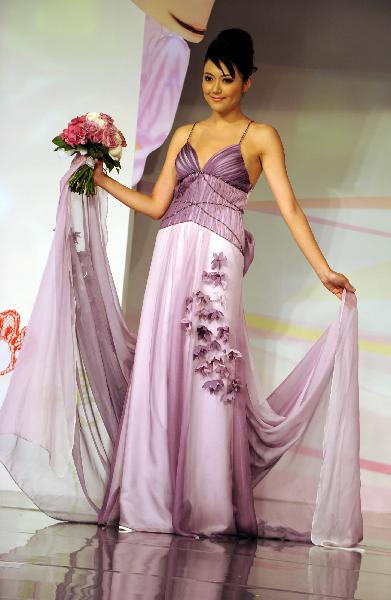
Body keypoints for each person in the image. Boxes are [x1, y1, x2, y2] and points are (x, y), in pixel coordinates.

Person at [92, 29, 363, 546]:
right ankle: (150, 497)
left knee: (209, 371)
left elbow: (289, 208)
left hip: (217, 260)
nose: (215, 87)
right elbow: (155, 205)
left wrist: (323, 270)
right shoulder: (185, 133)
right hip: (171, 254)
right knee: (161, 363)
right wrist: (100, 177)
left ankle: (208, 502)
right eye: (209, 77)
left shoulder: (261, 136)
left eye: (227, 78)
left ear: (248, 81)